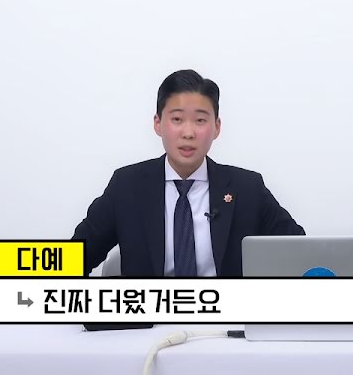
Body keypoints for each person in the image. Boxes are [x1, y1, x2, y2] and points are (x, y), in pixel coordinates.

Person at [72, 69, 304, 276]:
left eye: (200, 120)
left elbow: (302, 255)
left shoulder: (247, 188)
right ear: (158, 123)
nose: (188, 132)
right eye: (177, 119)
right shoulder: (126, 186)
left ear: (216, 127)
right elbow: (74, 258)